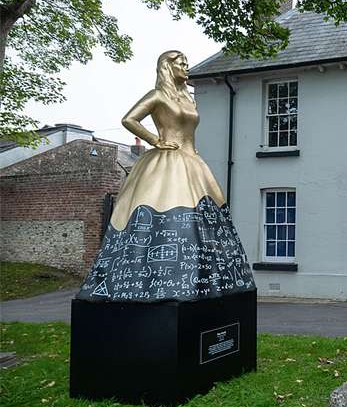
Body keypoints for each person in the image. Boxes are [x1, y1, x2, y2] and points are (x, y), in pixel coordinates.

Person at [76, 50, 255, 302]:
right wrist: (155, 141)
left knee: (205, 219)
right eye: (181, 64)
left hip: (193, 162)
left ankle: (205, 279)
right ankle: (145, 280)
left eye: (187, 63)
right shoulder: (159, 95)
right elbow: (129, 119)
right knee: (160, 214)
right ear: (168, 68)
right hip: (168, 160)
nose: (186, 67)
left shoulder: (189, 100)